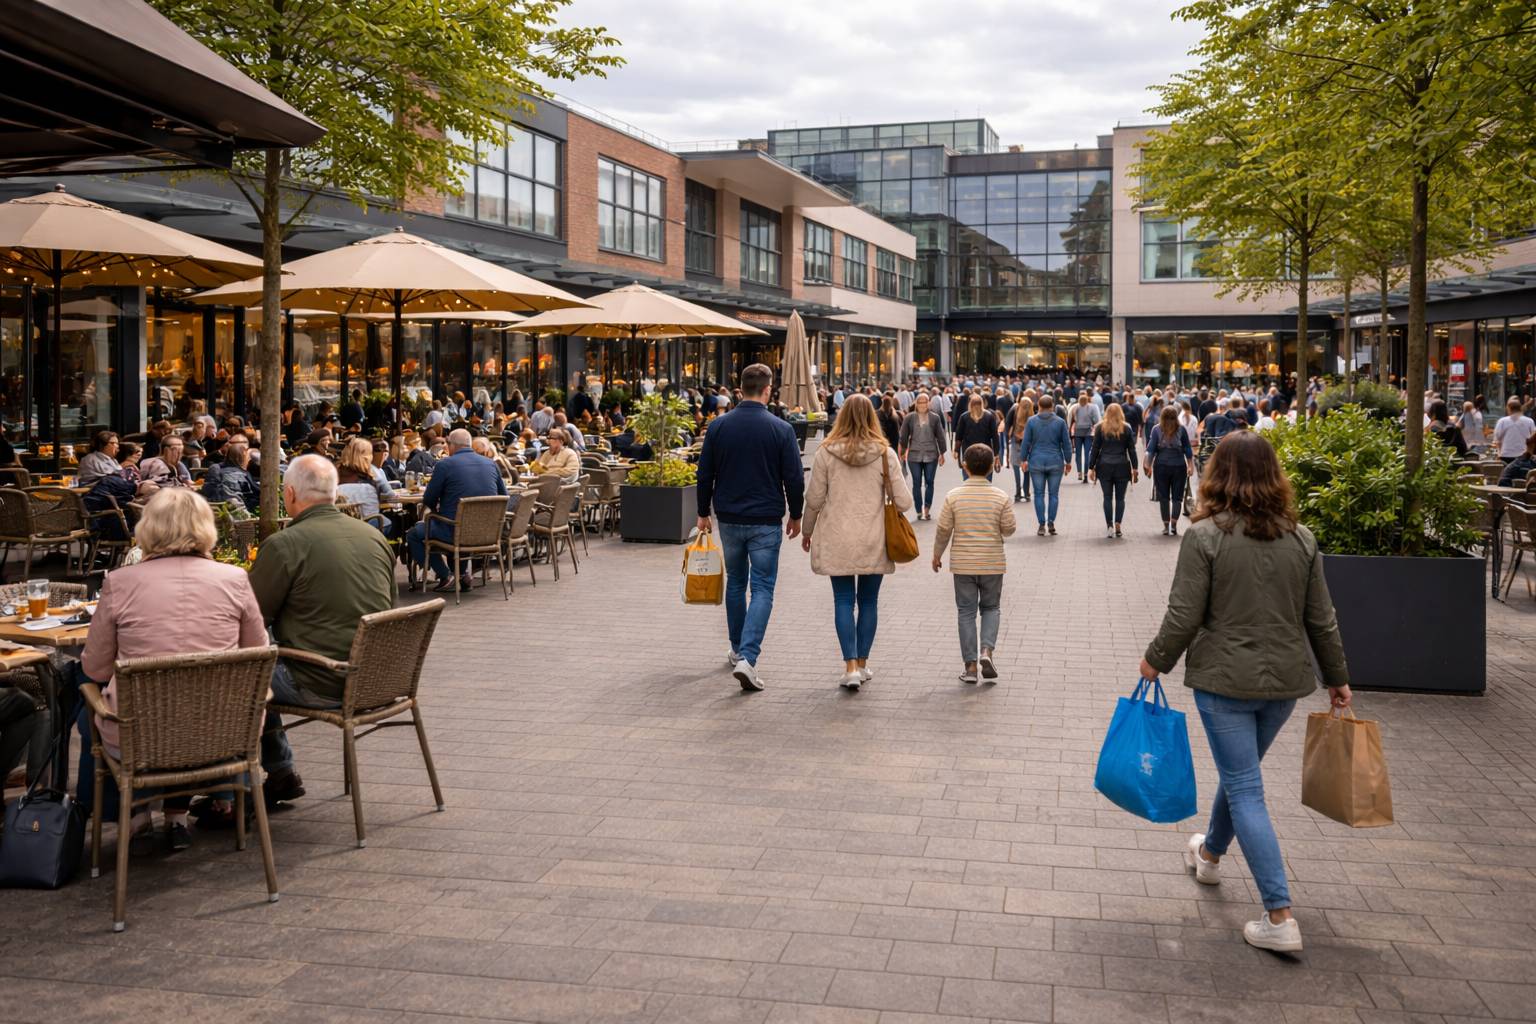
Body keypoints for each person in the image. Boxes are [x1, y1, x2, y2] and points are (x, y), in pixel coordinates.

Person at [1140, 431, 1351, 954]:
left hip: (1224, 681)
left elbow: (1184, 613)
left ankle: (1279, 915)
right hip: (1283, 684)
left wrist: (1156, 660)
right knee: (1243, 777)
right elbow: (1321, 619)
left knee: (1245, 787)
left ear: (1217, 474)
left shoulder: (1204, 536)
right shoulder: (1300, 538)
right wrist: (1338, 678)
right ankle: (1209, 856)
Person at [80, 488, 268, 852]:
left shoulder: (120, 582)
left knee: (87, 692)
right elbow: (257, 654)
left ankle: (129, 814)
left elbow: (97, 667)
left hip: (141, 737)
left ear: (148, 527)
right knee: (182, 697)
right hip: (224, 733)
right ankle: (176, 815)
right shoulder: (234, 579)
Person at [248, 456, 396, 809]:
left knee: (242, 676)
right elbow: (389, 610)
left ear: (289, 493)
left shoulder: (285, 544)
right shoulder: (374, 537)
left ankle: (235, 789)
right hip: (381, 677)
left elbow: (251, 620)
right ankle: (277, 771)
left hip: (322, 679)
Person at [694, 363, 804, 693]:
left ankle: (737, 648)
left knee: (736, 582)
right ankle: (748, 657)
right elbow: (794, 478)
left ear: (740, 389)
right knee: (763, 587)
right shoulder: (781, 429)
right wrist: (796, 514)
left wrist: (702, 512)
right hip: (766, 519)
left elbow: (704, 472)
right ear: (768, 390)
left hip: (729, 516)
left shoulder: (718, 426)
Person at [801, 394, 912, 692]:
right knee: (868, 602)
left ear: (842, 416)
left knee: (843, 600)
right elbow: (904, 502)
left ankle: (849, 667)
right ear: (872, 417)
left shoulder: (825, 453)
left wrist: (807, 531)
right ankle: (862, 664)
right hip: (874, 538)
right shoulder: (885, 453)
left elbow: (814, 499)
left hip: (837, 537)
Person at [931, 442, 1016, 684]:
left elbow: (943, 529)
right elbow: (1009, 529)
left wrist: (937, 554)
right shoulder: (1000, 497)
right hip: (992, 563)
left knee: (966, 612)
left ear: (965, 466)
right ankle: (986, 651)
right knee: (991, 608)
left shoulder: (953, 496)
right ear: (990, 468)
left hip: (963, 563)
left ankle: (970, 667)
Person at [408, 428, 506, 592]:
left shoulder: (444, 465)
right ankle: (462, 575)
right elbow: (503, 497)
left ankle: (445, 575)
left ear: (452, 445)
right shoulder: (491, 464)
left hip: (454, 531)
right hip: (488, 533)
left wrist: (436, 512)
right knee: (454, 523)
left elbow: (429, 498)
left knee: (414, 534)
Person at [1020, 394, 1071, 536]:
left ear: (1039, 406)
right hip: (1055, 461)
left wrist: (1023, 459)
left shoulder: (1031, 421)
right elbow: (1066, 444)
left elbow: (1026, 442)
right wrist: (1068, 461)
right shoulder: (1060, 422)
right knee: (1054, 494)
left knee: (1038, 494)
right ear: (1052, 406)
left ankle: (1041, 524)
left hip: (1036, 461)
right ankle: (1051, 522)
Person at [1087, 401, 1138, 539]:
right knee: (1120, 498)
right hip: (1122, 465)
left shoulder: (1100, 427)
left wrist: (1091, 467)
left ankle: (1109, 525)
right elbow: (1132, 450)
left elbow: (1095, 449)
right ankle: (1118, 524)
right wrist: (1135, 467)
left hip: (1104, 466)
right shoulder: (1126, 428)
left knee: (1107, 497)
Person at [1145, 405, 1195, 536]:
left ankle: (1166, 526)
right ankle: (1174, 524)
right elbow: (1187, 449)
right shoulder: (1181, 429)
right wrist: (1191, 466)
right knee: (1177, 497)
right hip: (1179, 466)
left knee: (1164, 497)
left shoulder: (1156, 429)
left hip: (1161, 466)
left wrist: (1148, 466)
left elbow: (1151, 450)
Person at [898, 392, 947, 521]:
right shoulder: (909, 418)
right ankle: (919, 509)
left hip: (931, 454)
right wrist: (902, 452)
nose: (922, 405)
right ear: (916, 404)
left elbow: (940, 436)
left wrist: (942, 453)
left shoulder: (935, 418)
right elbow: (903, 436)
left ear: (928, 403)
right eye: (920, 402)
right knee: (916, 482)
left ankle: (927, 508)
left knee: (930, 481)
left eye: (925, 402)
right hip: (914, 455)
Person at [336, 437, 393, 533]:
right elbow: (390, 495)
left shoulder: (336, 471)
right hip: (369, 524)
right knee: (388, 521)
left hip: (342, 525)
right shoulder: (373, 472)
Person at [200, 435, 259, 513]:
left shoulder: (246, 469)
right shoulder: (238, 473)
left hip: (219, 508)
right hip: (234, 510)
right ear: (241, 457)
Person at [953, 393, 999, 480]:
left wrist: (956, 451)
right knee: (986, 479)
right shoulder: (989, 416)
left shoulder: (964, 417)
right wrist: (996, 454)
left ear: (970, 404)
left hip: (968, 452)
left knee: (968, 478)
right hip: (985, 452)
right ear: (982, 404)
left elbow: (959, 436)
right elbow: (995, 437)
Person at [1004, 396, 1033, 504]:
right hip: (1028, 443)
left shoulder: (1015, 409)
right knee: (1026, 469)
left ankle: (1017, 493)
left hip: (1015, 441)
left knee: (1016, 468)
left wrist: (1007, 441)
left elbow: (1007, 424)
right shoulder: (1032, 417)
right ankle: (1026, 493)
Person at [1069, 392, 1101, 482]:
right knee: (1087, 454)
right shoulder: (1092, 407)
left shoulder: (1074, 407)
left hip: (1077, 432)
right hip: (1088, 433)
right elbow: (1097, 420)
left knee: (1078, 454)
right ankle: (1086, 475)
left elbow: (1069, 419)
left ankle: (1079, 472)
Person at [1493, 397, 1535, 464]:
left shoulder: (1502, 421)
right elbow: (1533, 438)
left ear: (1508, 409)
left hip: (1506, 456)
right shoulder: (1529, 421)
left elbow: (1497, 440)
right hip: (1524, 455)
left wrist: (1499, 453)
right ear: (1520, 408)